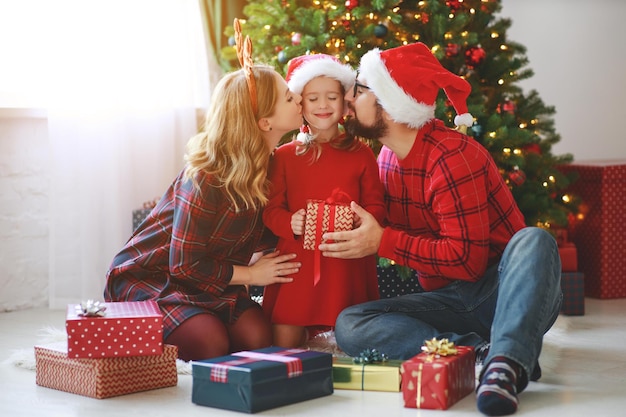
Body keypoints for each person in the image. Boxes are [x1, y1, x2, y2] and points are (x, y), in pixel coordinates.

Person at [318, 43, 562, 416]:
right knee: (351, 324)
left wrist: (383, 241)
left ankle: (505, 367)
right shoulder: (384, 160)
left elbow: (466, 262)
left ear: (392, 103)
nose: (349, 98)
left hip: (504, 292)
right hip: (447, 302)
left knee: (534, 240)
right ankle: (477, 352)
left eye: (360, 89)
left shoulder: (450, 157)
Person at [104, 21, 304, 362]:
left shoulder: (276, 167)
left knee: (258, 338)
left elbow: (267, 233)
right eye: (289, 97)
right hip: (156, 276)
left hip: (210, 280)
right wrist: (253, 275)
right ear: (264, 123)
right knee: (210, 343)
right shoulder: (207, 175)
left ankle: (203, 319)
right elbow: (182, 265)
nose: (299, 98)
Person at [261, 54, 386, 348]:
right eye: (313, 98)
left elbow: (376, 205)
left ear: (344, 103)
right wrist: (289, 222)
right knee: (285, 334)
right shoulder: (284, 156)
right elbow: (270, 210)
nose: (323, 105)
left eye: (332, 97)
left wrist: (361, 219)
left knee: (348, 333)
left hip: (345, 260)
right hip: (298, 263)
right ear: (300, 103)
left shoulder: (362, 153)